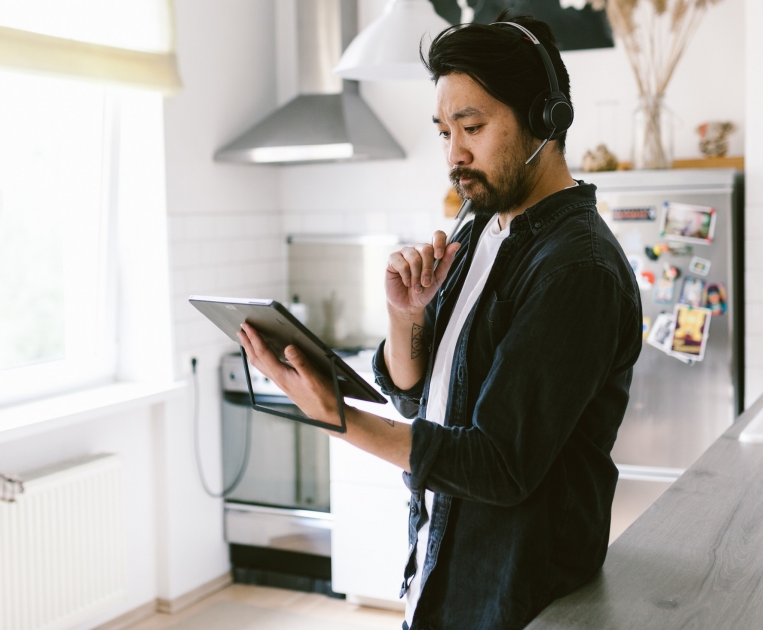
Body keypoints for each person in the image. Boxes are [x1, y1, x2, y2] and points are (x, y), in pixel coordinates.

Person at [238, 11, 642, 630]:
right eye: (443, 131)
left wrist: (337, 417)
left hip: (519, 591)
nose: (455, 154)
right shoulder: (479, 223)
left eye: (472, 127)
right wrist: (407, 319)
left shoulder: (575, 270)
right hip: (440, 562)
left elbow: (499, 463)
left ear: (545, 119)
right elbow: (413, 395)